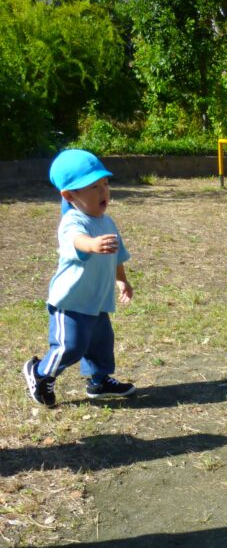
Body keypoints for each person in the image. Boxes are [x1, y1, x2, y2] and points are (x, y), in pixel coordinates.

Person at [22, 149, 136, 408]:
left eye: (105, 184)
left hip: (96, 301)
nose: (103, 192)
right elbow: (76, 240)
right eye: (93, 187)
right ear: (69, 195)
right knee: (70, 346)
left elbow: (117, 256)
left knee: (101, 345)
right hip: (71, 302)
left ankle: (99, 381)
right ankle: (39, 373)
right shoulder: (72, 221)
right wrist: (91, 245)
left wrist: (122, 280)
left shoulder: (108, 222)